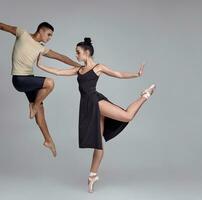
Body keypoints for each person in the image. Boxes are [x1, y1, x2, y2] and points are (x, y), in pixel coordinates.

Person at [36, 37, 156, 192]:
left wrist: (136, 74)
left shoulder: (98, 67)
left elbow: (118, 74)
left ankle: (145, 95)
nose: (76, 55)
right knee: (98, 145)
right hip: (87, 107)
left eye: (78, 52)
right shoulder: (78, 70)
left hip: (96, 102)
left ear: (87, 52)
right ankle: (92, 175)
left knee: (127, 116)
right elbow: (59, 72)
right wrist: (40, 65)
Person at [0, 18, 81, 157]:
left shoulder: (41, 48)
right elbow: (2, 26)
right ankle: (34, 106)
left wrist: (80, 66)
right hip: (20, 79)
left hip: (29, 79)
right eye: (49, 34)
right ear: (41, 30)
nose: (50, 38)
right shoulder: (22, 34)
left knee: (40, 109)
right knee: (50, 83)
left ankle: (48, 140)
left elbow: (61, 57)